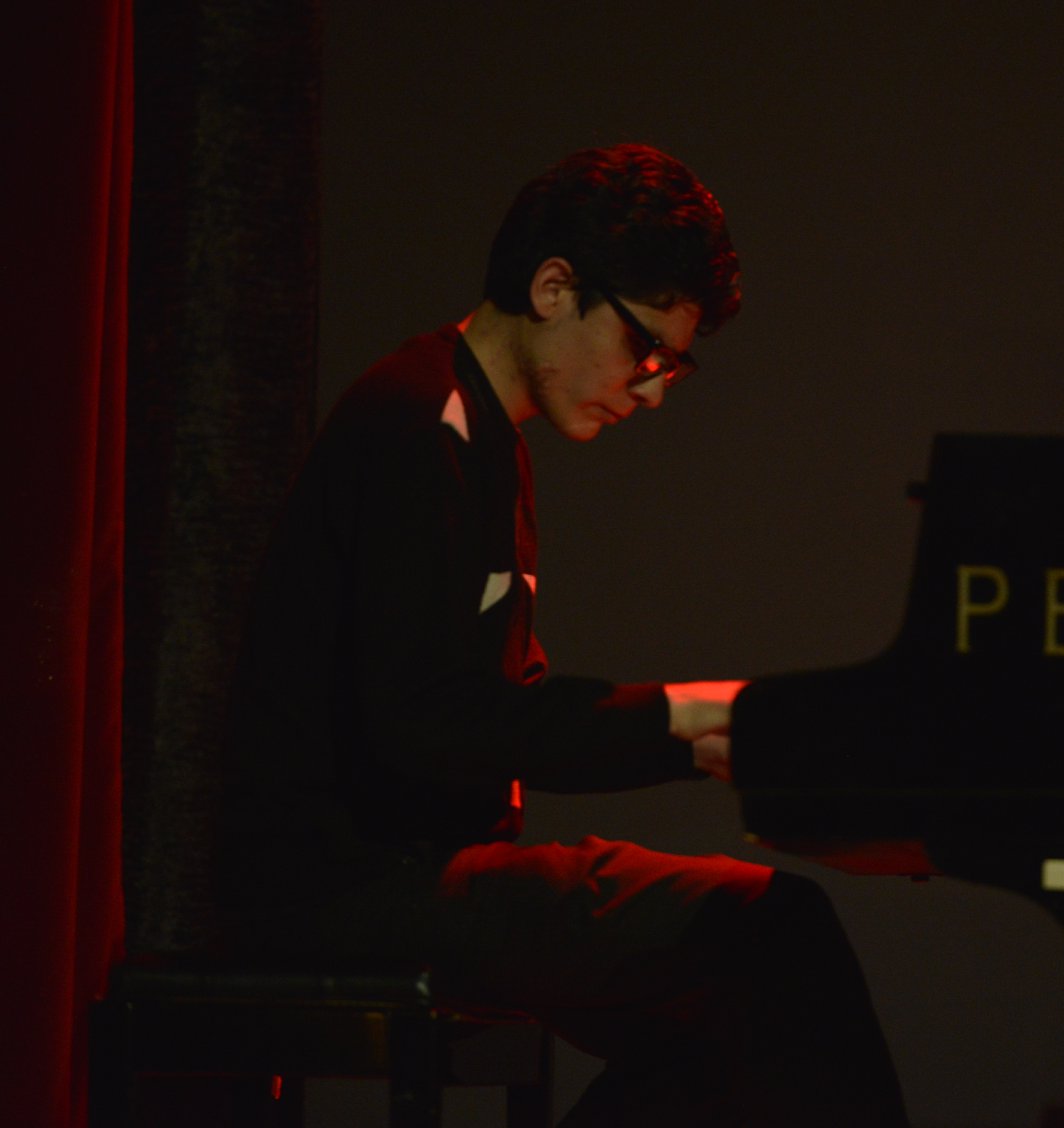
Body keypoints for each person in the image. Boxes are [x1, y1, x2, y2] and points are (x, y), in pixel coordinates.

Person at [215, 143, 909, 1126]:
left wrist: (709, 739)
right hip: (346, 888)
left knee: (732, 1016)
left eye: (675, 364)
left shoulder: (489, 440)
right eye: (646, 350)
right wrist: (684, 719)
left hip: (416, 873)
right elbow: (431, 722)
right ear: (553, 288)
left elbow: (499, 715)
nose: (655, 388)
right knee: (776, 933)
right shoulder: (421, 424)